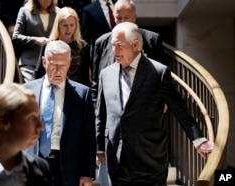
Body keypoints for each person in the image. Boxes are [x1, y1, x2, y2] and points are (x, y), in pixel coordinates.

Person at [95, 22, 214, 186]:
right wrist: (100, 148)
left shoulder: (158, 72)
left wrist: (198, 139)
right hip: (117, 160)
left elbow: (179, 108)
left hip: (149, 162)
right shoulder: (105, 74)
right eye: (113, 45)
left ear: (135, 44)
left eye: (119, 45)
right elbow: (101, 114)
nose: (114, 50)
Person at [24, 40, 96, 186]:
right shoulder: (27, 90)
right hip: (33, 161)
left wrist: (87, 174)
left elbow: (89, 137)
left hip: (67, 167)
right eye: (54, 65)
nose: (58, 70)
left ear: (69, 63)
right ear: (44, 62)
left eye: (63, 65)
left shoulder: (82, 94)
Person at [92, 0, 166, 106]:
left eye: (126, 17)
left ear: (135, 17)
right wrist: (95, 105)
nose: (122, 21)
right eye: (119, 18)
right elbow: (96, 80)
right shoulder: (101, 42)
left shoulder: (151, 40)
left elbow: (161, 76)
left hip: (144, 105)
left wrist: (162, 100)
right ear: (113, 17)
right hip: (110, 106)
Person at [0, 83, 50, 186]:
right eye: (32, 118)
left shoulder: (40, 168)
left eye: (38, 118)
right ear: (3, 121)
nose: (40, 127)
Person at [32, 7, 91, 86]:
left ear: (76, 26)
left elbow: (85, 76)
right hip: (52, 87)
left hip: (75, 91)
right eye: (65, 25)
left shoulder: (83, 46)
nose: (68, 29)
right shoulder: (48, 45)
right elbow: (39, 71)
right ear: (58, 25)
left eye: (72, 25)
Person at [12, 0, 59, 82]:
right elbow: (16, 37)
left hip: (51, 62)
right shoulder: (25, 11)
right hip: (30, 62)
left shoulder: (58, 12)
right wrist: (35, 40)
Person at [81, 0, 117, 69]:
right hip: (100, 60)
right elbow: (86, 41)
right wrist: (87, 66)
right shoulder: (89, 10)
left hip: (122, 57)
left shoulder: (120, 4)